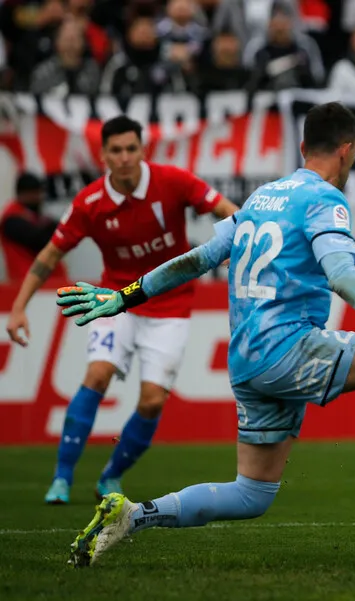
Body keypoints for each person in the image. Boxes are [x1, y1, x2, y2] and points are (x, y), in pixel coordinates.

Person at [57, 102, 355, 568]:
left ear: (304, 146)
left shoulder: (261, 197)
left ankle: (133, 516)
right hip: (288, 347)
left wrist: (123, 296)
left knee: (252, 494)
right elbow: (340, 273)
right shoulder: (325, 199)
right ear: (348, 151)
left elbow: (199, 258)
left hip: (246, 362)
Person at [4, 116, 238, 505]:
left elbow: (226, 209)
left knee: (151, 401)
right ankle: (61, 480)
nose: (125, 157)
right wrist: (18, 307)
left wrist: (238, 239)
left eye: (132, 148)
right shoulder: (90, 202)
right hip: (116, 301)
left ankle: (110, 476)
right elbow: (49, 255)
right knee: (97, 374)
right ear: (104, 155)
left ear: (142, 150)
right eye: (116, 150)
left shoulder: (173, 181)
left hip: (171, 306)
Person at [0, 173, 68, 283]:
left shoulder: (36, 217)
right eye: (34, 193)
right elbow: (39, 240)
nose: (38, 197)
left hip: (49, 284)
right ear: (22, 194)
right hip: (26, 285)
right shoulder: (12, 219)